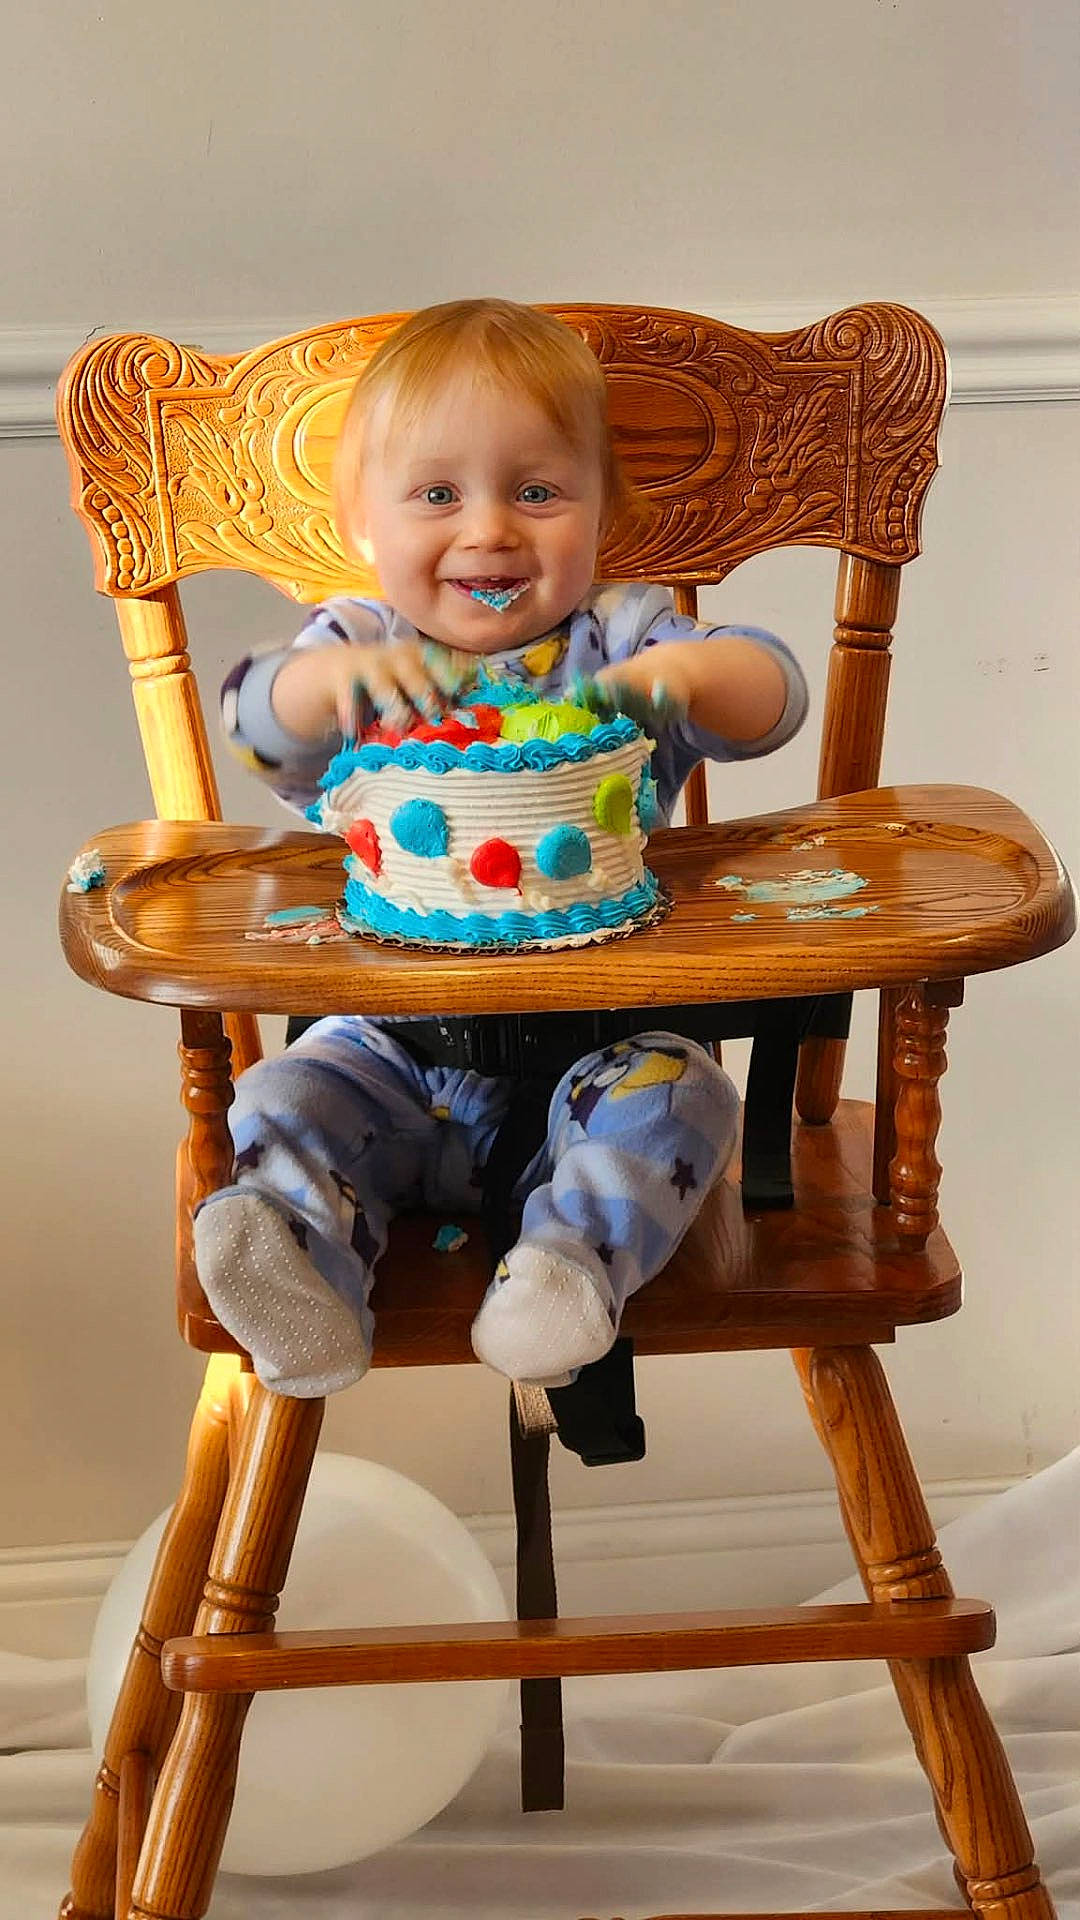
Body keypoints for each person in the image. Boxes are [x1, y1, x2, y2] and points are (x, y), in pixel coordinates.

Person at [196, 298, 808, 1400]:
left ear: (601, 513)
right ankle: (294, 1265)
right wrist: (312, 690)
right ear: (362, 528)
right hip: (387, 1048)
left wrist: (694, 677)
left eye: (536, 491)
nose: (488, 530)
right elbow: (251, 720)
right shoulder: (360, 644)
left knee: (690, 1097)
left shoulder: (622, 638)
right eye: (438, 494)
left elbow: (773, 696)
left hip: (597, 1048)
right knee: (283, 1095)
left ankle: (566, 1272)